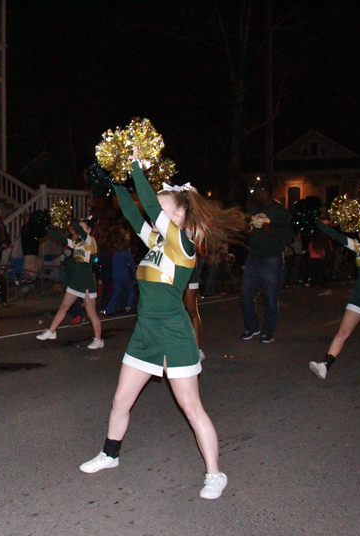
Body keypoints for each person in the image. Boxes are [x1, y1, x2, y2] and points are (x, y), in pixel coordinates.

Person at [80, 155, 242, 500]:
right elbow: (132, 210)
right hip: (145, 333)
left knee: (191, 407)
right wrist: (116, 181)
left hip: (173, 333)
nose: (155, 209)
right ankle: (109, 455)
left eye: (163, 205)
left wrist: (137, 166)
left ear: (180, 215)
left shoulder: (182, 245)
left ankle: (215, 473)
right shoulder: (155, 242)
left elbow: (149, 206)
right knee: (120, 400)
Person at [308, 213, 360, 380]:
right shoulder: (358, 247)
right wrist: (317, 223)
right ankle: (325, 365)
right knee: (342, 332)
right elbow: (337, 236)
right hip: (359, 297)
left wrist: (359, 215)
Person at [239, 180, 294, 343]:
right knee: (245, 294)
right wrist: (246, 229)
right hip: (253, 256)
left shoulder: (279, 211)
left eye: (257, 192)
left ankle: (268, 330)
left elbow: (289, 234)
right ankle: (252, 326)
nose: (255, 195)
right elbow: (247, 227)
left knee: (271, 296)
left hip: (271, 258)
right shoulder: (253, 209)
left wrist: (271, 230)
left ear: (265, 192)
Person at [37, 218, 103, 349]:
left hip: (86, 282)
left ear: (89, 230)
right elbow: (61, 239)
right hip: (75, 281)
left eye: (82, 227)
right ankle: (51, 331)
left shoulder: (91, 241)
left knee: (91, 313)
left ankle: (99, 340)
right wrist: (47, 229)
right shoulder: (77, 242)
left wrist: (68, 218)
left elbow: (79, 231)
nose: (78, 229)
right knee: (63, 307)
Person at [103, 232, 137, 316]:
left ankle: (109, 309)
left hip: (115, 274)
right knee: (131, 289)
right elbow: (132, 265)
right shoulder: (126, 252)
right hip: (124, 274)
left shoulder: (115, 253)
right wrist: (135, 277)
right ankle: (129, 306)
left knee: (116, 291)